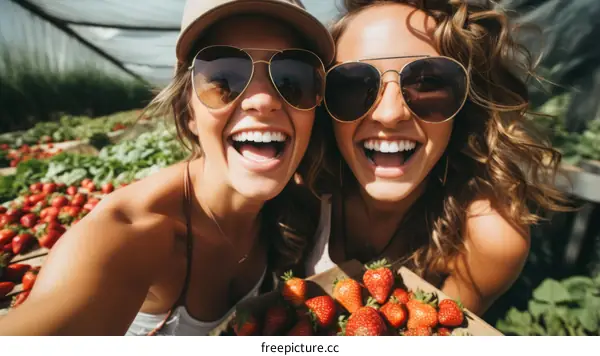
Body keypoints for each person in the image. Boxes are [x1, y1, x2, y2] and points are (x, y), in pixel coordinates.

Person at [0, 0, 334, 336]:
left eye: (293, 79)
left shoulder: (300, 205)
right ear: (187, 112)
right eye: (224, 78)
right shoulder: (131, 234)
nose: (264, 100)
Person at [303, 0, 570, 316]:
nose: (390, 114)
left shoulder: (485, 239)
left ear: (465, 103)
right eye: (353, 83)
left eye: (429, 83)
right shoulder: (295, 189)